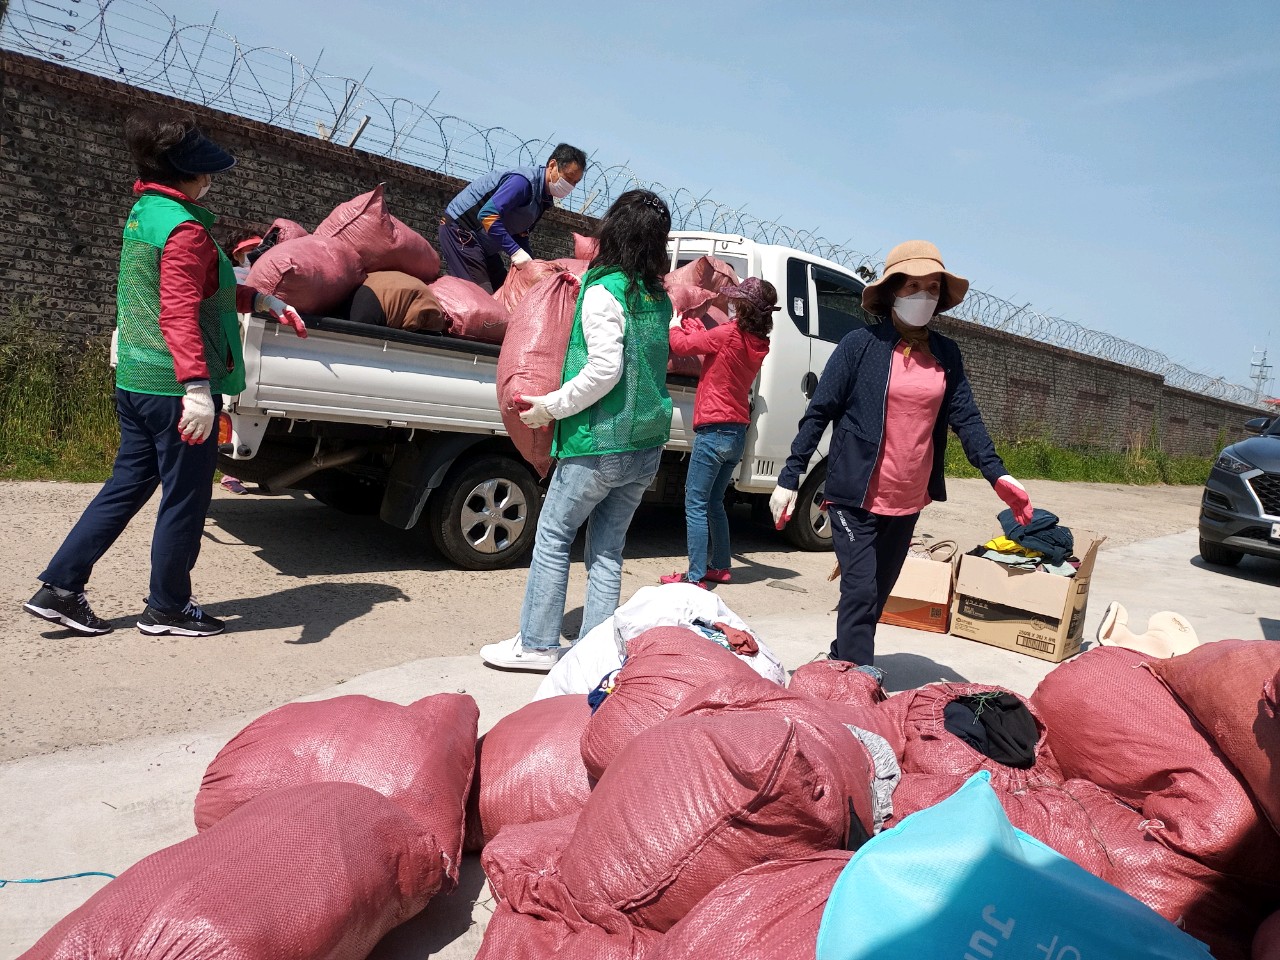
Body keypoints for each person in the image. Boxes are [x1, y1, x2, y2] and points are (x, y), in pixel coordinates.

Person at [22, 109, 306, 638]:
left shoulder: (145, 212)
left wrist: (260, 298)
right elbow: (176, 309)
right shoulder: (186, 231)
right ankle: (168, 609)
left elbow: (181, 288)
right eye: (205, 173)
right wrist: (198, 389)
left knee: (126, 485)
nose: (211, 181)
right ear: (187, 174)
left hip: (136, 378)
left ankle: (60, 588)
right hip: (176, 389)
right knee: (185, 499)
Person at [770, 240, 1034, 668]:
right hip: (854, 494)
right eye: (913, 285)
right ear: (892, 290)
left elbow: (965, 417)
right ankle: (858, 682)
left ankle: (842, 661)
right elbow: (820, 411)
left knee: (877, 590)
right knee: (859, 589)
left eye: (932, 287)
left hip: (906, 497)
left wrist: (997, 474)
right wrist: (790, 476)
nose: (923, 295)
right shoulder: (860, 345)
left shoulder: (946, 354)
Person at [479, 190, 674, 671]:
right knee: (607, 549)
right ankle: (594, 655)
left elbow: (605, 369)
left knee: (553, 536)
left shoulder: (605, 289)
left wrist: (549, 407)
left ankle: (538, 644)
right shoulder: (657, 295)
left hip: (600, 442)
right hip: (645, 445)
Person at [661, 278, 777, 586]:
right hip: (736, 432)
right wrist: (698, 331)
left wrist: (675, 324)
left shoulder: (729, 333)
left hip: (714, 429)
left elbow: (681, 346)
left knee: (695, 503)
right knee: (714, 503)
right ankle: (721, 566)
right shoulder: (758, 343)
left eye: (738, 301)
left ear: (744, 307)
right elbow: (712, 344)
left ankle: (696, 576)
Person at [438, 143, 587, 293]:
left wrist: (534, 266)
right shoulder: (522, 182)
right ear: (552, 165)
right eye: (568, 178)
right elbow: (488, 216)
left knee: (505, 292)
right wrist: (515, 251)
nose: (570, 186)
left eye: (575, 182)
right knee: (481, 297)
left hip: (484, 245)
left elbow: (520, 234)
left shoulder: (543, 199)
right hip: (461, 232)